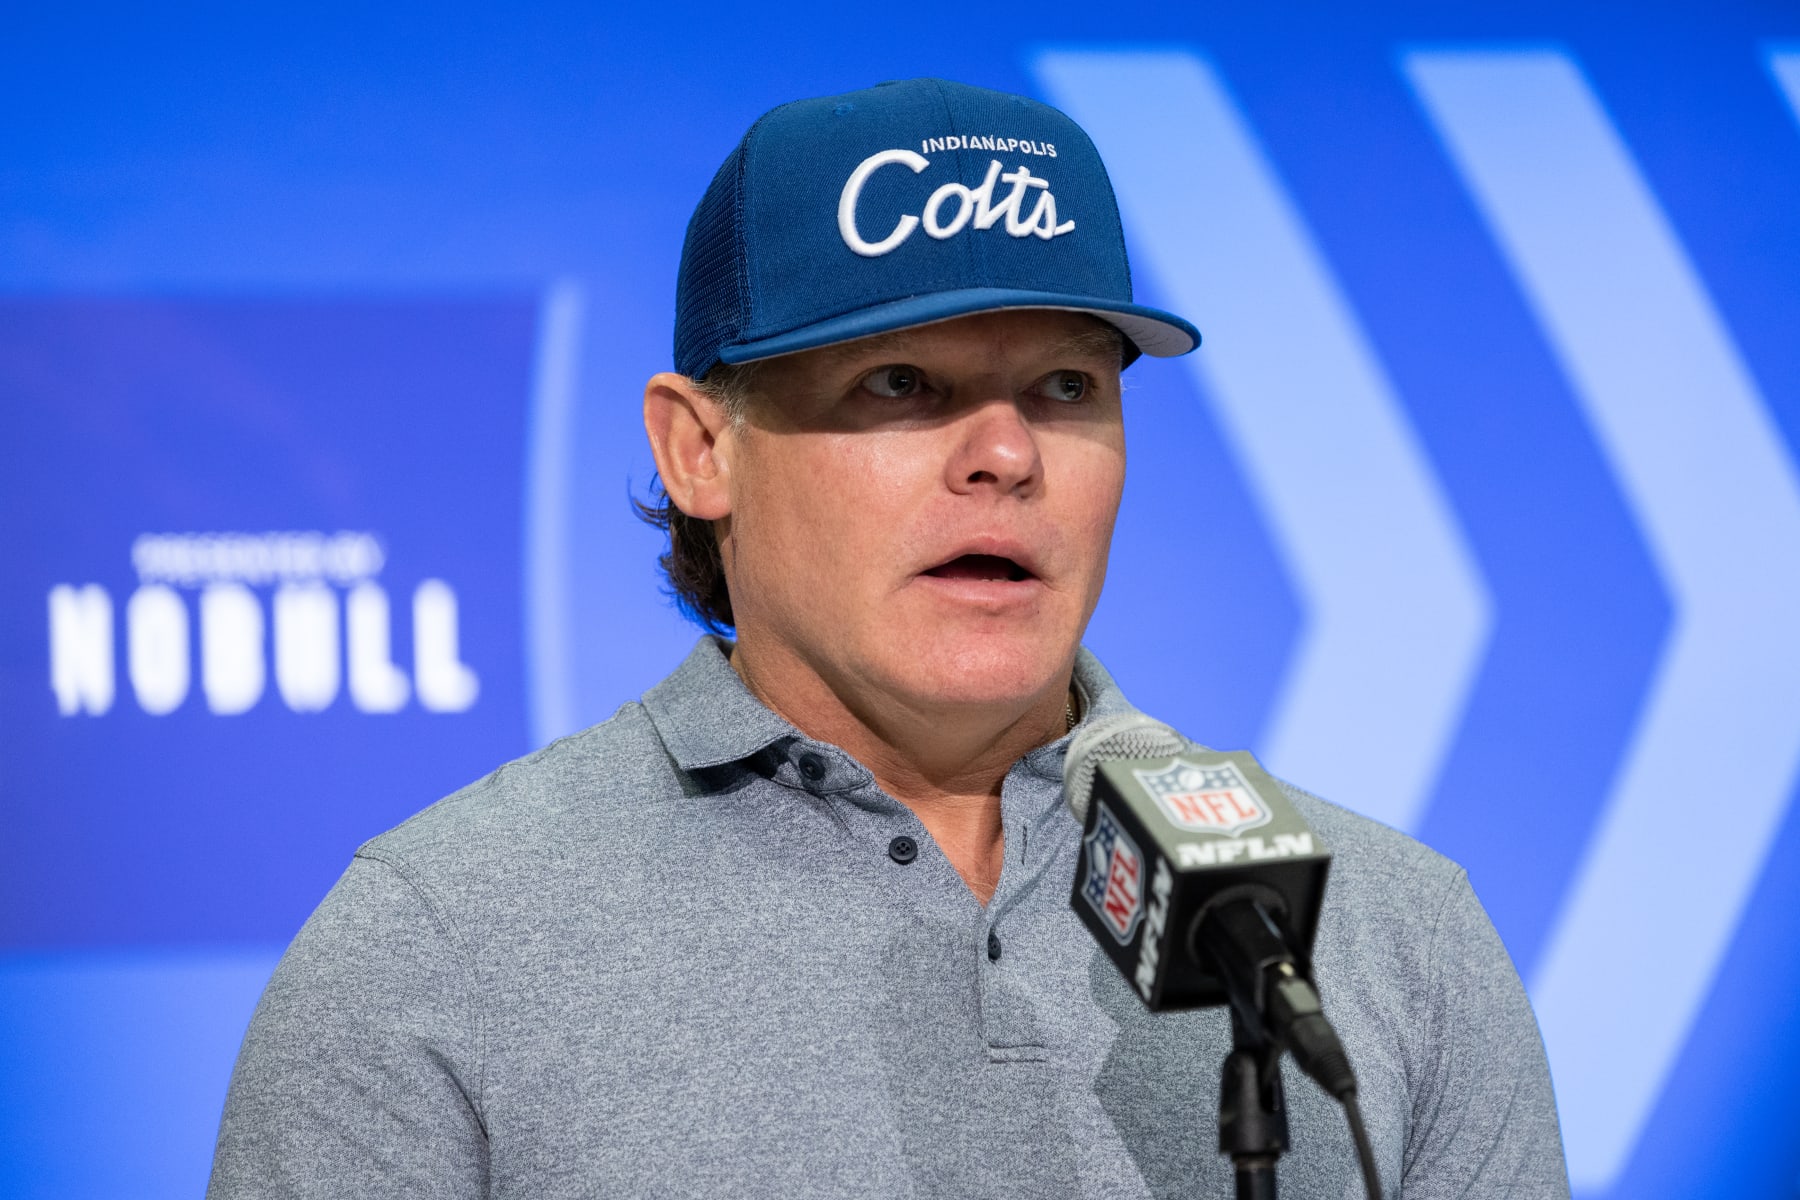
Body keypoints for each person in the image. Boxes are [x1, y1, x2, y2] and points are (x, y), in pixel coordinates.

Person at [208, 78, 1570, 1198]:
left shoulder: (1386, 934)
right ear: (700, 448)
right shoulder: (438, 946)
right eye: (902, 382)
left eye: (1065, 385)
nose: (1003, 453)